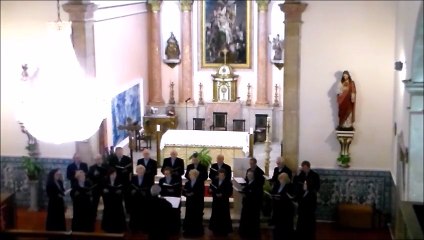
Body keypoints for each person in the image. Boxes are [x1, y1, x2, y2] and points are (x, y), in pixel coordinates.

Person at [238, 169, 263, 239]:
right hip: (246, 205)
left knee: (252, 222)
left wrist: (247, 194)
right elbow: (246, 190)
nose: (248, 176)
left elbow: (257, 195)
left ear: (253, 176)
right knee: (245, 220)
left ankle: (251, 234)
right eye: (248, 175)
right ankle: (245, 233)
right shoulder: (247, 183)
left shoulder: (256, 184)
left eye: (250, 175)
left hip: (253, 207)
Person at [129, 165, 153, 233]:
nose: (140, 171)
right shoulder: (133, 178)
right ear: (136, 171)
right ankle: (134, 228)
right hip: (135, 199)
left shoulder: (148, 178)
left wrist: (145, 192)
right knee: (135, 214)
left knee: (144, 214)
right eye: (139, 170)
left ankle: (144, 228)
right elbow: (130, 187)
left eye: (142, 170)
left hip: (144, 199)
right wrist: (132, 191)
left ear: (144, 171)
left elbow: (150, 188)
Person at [101, 168, 126, 233]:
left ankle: (119, 228)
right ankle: (108, 227)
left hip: (117, 201)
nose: (114, 175)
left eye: (115, 174)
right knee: (108, 212)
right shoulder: (105, 180)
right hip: (108, 201)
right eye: (112, 174)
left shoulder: (119, 180)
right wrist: (104, 190)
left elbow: (123, 188)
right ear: (109, 174)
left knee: (118, 212)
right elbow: (102, 188)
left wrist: (120, 191)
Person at [209, 169, 233, 237]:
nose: (221, 176)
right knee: (215, 215)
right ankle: (215, 229)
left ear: (225, 176)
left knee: (224, 216)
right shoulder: (214, 181)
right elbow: (211, 189)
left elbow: (229, 192)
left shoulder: (228, 182)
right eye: (219, 175)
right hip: (216, 201)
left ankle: (224, 231)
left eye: (222, 175)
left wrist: (222, 195)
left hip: (224, 202)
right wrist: (211, 191)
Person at [108, 147, 133, 213]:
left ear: (123, 152)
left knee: (127, 196)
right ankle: (117, 211)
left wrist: (126, 170)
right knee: (117, 197)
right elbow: (110, 169)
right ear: (116, 152)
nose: (120, 153)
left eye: (121, 151)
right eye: (118, 152)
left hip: (125, 180)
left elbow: (131, 169)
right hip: (116, 180)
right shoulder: (112, 159)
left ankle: (128, 211)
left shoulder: (127, 159)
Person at [271, 173, 295, 240]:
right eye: (280, 179)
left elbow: (291, 196)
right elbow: (273, 192)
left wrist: (281, 197)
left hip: (286, 209)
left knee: (284, 226)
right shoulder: (277, 185)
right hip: (277, 208)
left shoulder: (290, 186)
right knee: (277, 226)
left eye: (283, 179)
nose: (281, 180)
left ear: (286, 179)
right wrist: (274, 196)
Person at [158, 167, 182, 235]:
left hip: (174, 198)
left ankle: (175, 229)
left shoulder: (176, 179)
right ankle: (166, 228)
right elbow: (160, 189)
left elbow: (179, 189)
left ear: (171, 173)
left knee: (175, 214)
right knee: (165, 214)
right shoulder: (161, 180)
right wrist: (166, 190)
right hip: (165, 198)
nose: (166, 175)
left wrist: (173, 190)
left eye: (168, 174)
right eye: (165, 174)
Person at [182, 169, 205, 237]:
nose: (190, 176)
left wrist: (192, 194)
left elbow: (201, 193)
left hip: (197, 203)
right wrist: (186, 194)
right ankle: (188, 231)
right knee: (189, 217)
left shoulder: (200, 183)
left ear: (195, 175)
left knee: (196, 217)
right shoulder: (187, 183)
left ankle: (197, 232)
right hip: (189, 203)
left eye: (191, 175)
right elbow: (184, 192)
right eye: (190, 175)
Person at [87, 153, 108, 219]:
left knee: (106, 202)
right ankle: (93, 216)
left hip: (104, 187)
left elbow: (109, 175)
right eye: (97, 159)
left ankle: (106, 215)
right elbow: (89, 177)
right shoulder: (92, 168)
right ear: (95, 160)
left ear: (101, 159)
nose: (98, 160)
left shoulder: (106, 166)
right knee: (95, 202)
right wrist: (94, 175)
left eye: (99, 159)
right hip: (96, 187)